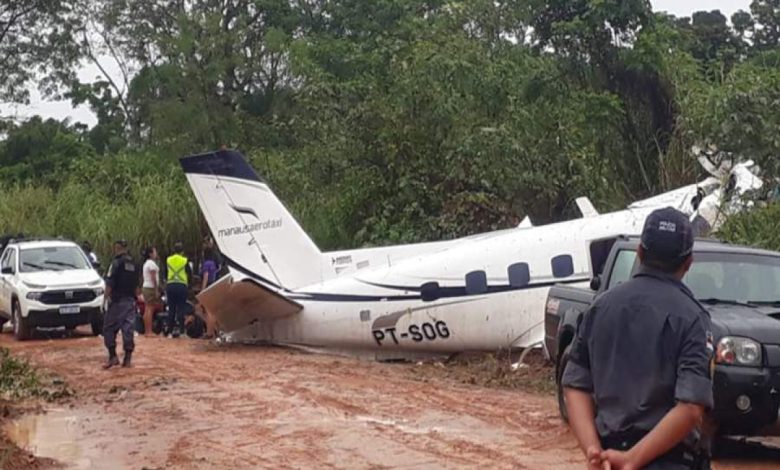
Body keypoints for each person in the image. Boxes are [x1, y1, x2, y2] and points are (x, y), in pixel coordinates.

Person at [562, 207, 713, 470]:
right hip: (669, 461)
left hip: (609, 459)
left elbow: (574, 385)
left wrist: (593, 450)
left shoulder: (601, 307)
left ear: (640, 253)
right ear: (688, 262)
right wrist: (633, 459)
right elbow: (690, 407)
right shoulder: (692, 318)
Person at [103, 240, 139, 369]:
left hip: (117, 302)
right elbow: (136, 285)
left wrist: (105, 299)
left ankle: (113, 357)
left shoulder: (116, 263)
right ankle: (127, 359)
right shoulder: (134, 264)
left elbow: (110, 283)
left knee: (108, 327)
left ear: (117, 248)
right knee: (128, 328)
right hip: (130, 301)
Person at [165, 242, 192, 338]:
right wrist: (190, 285)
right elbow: (189, 273)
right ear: (182, 251)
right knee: (181, 308)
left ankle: (169, 332)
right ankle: (181, 332)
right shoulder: (184, 260)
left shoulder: (168, 260)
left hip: (170, 285)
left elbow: (165, 273)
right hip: (181, 286)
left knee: (171, 309)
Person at [199, 246, 220, 338]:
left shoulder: (206, 264)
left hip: (208, 285)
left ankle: (209, 332)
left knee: (208, 311)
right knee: (212, 310)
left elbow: (206, 276)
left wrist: (203, 289)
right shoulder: (214, 264)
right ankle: (216, 331)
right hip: (213, 285)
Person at [141, 246, 162, 335]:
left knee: (147, 308)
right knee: (150, 308)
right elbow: (153, 277)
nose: (156, 253)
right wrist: (156, 289)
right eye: (154, 252)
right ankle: (149, 331)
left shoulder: (146, 263)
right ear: (150, 254)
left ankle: (147, 330)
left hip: (146, 286)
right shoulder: (151, 264)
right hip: (150, 287)